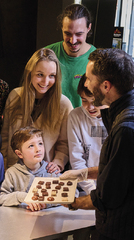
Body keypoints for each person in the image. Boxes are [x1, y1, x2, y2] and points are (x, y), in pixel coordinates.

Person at [61, 48, 134, 240]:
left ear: (106, 86)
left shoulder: (125, 129)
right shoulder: (118, 114)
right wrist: (82, 173)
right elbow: (116, 170)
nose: (85, 83)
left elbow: (107, 197)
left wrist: (72, 203)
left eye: (88, 78)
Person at [1, 48, 73, 171]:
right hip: (15, 170)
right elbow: (5, 137)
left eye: (52, 76)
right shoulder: (15, 96)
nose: (45, 81)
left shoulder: (64, 104)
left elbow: (65, 143)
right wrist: (3, 166)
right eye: (40, 75)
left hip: (45, 171)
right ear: (30, 73)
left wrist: (58, 162)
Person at [46, 3, 96, 108]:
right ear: (61, 28)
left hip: (82, 123)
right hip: (51, 122)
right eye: (67, 34)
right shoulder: (47, 54)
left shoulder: (97, 60)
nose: (73, 41)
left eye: (79, 34)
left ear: (89, 28)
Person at [0, 126, 59, 211]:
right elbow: (1, 199)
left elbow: (72, 194)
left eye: (40, 143)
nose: (38, 149)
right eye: (31, 146)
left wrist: (46, 204)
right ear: (19, 154)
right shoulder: (12, 173)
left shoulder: (51, 171)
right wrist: (21, 197)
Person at [67, 74, 107, 197]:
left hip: (110, 186)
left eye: (94, 101)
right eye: (84, 100)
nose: (89, 107)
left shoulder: (115, 117)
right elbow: (76, 159)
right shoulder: (75, 116)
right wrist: (93, 191)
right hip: (84, 187)